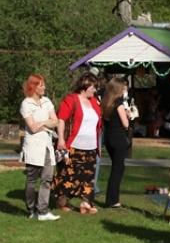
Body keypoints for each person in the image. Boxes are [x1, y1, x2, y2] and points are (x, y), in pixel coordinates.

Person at [55, 72, 102, 214]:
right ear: (84, 86)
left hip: (91, 147)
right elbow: (61, 119)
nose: (95, 90)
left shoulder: (94, 102)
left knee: (88, 177)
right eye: (93, 87)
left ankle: (85, 204)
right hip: (74, 145)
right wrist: (61, 139)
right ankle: (62, 202)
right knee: (67, 175)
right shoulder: (71, 99)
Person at [19, 74, 60, 221]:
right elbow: (32, 128)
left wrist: (42, 123)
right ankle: (31, 209)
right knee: (32, 179)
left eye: (44, 85)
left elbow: (55, 121)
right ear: (33, 86)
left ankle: (42, 211)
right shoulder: (26, 104)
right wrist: (46, 123)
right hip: (34, 147)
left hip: (47, 146)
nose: (44, 88)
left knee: (47, 178)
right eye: (41, 85)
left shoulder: (47, 101)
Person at [101, 77, 131, 208]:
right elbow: (125, 124)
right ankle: (112, 200)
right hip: (119, 138)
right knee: (118, 169)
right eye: (123, 88)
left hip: (109, 138)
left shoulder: (106, 102)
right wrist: (128, 115)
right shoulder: (118, 104)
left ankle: (112, 198)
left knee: (117, 167)